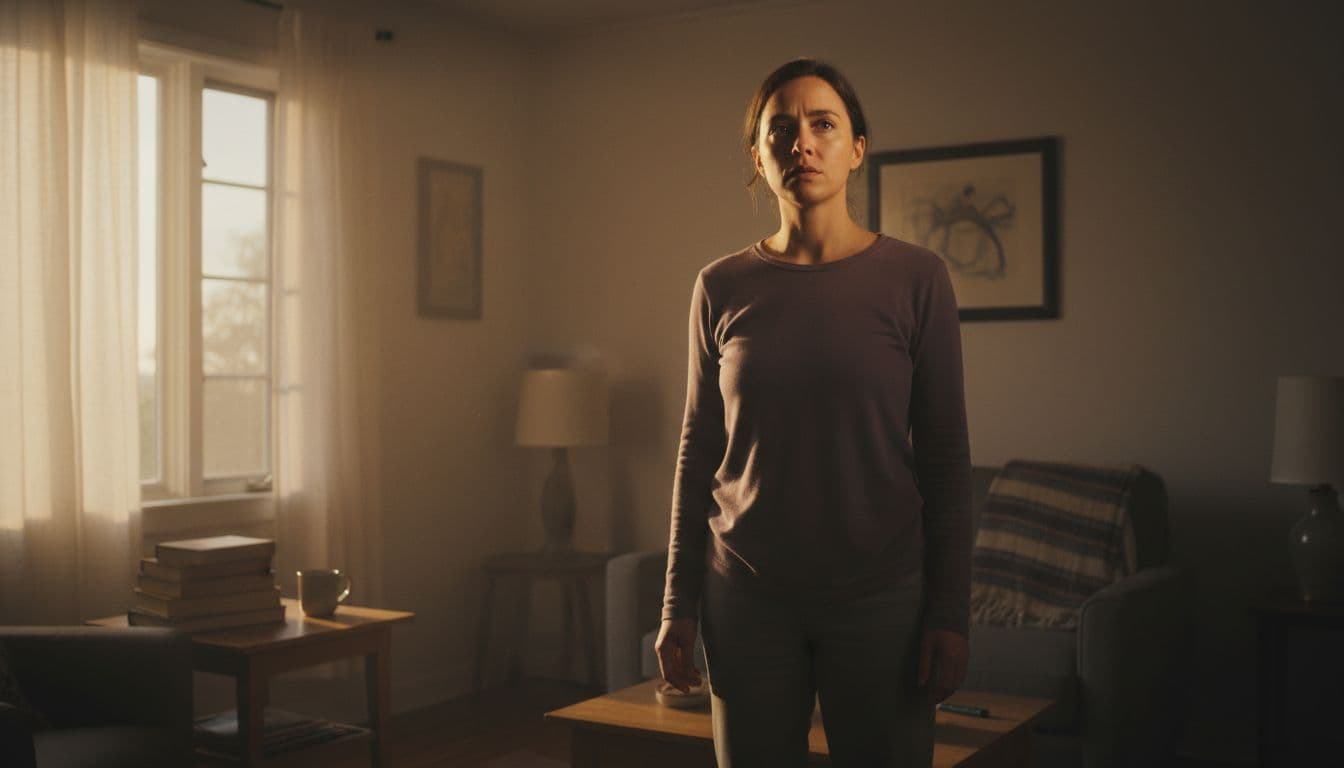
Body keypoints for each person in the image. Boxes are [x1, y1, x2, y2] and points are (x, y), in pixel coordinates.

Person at [654, 57, 973, 768]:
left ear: (857, 148)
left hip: (881, 598)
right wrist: (678, 604)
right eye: (782, 129)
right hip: (746, 599)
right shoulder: (721, 286)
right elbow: (697, 450)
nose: (803, 142)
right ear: (759, 157)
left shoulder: (917, 279)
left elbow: (947, 454)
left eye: (823, 124)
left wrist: (950, 613)